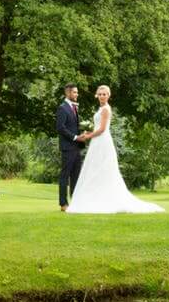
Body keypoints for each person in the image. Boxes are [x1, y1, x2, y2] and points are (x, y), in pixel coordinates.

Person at [65, 84, 163, 214]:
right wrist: (90, 133)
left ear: (108, 96)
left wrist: (88, 136)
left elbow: (102, 129)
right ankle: (96, 198)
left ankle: (105, 199)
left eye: (104, 94)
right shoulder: (100, 109)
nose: (102, 96)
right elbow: (97, 127)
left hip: (102, 140)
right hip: (97, 141)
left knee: (103, 168)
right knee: (94, 168)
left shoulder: (106, 109)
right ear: (97, 95)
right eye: (100, 94)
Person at [56, 83, 87, 208]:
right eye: (74, 92)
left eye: (77, 92)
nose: (77, 94)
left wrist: (82, 134)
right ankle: (63, 203)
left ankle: (75, 202)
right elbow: (60, 128)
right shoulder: (62, 108)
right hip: (67, 147)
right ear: (67, 93)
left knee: (75, 175)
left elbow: (73, 127)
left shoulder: (74, 108)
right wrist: (75, 137)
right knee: (65, 175)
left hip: (76, 147)